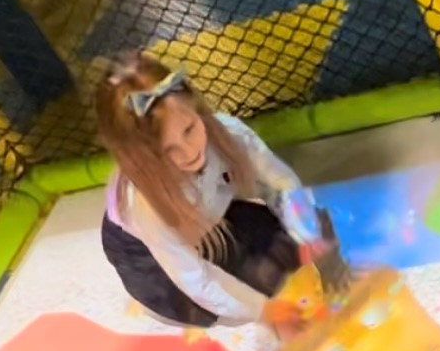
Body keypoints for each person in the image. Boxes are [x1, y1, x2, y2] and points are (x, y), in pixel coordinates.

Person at [98, 52, 328, 328]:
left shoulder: (229, 133)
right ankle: (158, 301)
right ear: (141, 159)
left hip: (206, 211)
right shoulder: (145, 208)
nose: (189, 152)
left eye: (189, 130)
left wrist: (305, 232)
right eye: (166, 151)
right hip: (146, 253)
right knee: (238, 292)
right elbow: (196, 279)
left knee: (297, 239)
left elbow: (279, 184)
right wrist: (263, 310)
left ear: (196, 109)